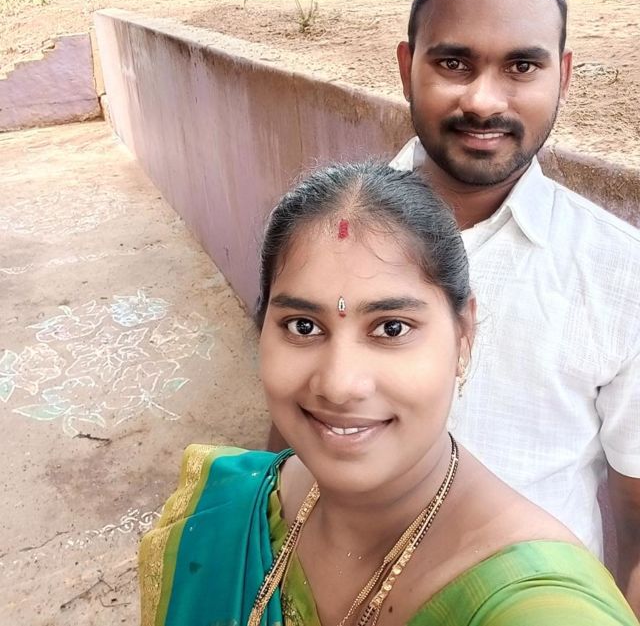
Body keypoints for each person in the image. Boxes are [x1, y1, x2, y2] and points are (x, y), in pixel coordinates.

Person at [140, 162, 637, 626]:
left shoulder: (540, 605)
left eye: (392, 328)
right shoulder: (230, 508)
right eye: (303, 325)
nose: (339, 384)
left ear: (464, 335)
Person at [391, 0, 640, 612]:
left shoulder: (622, 274)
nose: (482, 100)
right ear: (408, 67)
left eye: (522, 66)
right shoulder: (326, 234)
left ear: (562, 76)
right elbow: (289, 434)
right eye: (453, 63)